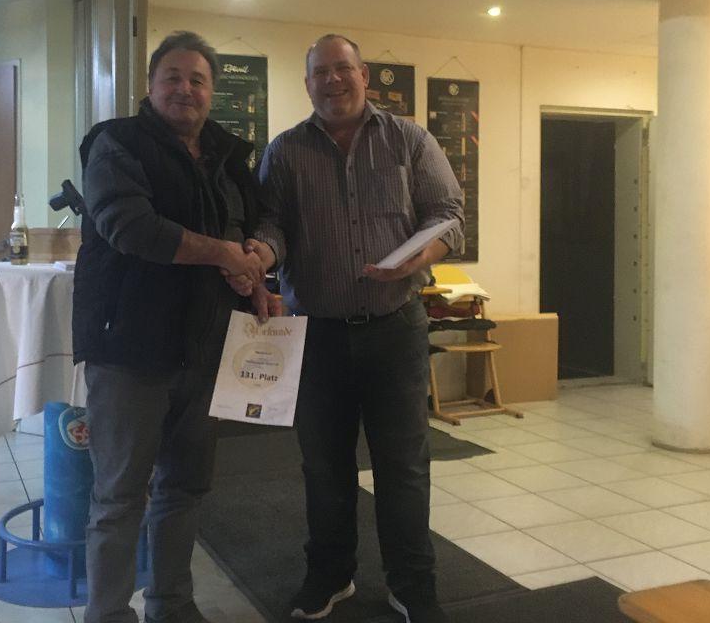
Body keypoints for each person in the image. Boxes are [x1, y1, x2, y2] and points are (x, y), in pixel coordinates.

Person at [246, 34, 464, 623]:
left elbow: (448, 215)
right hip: (316, 334)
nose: (333, 80)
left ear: (365, 75)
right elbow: (272, 223)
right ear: (307, 83)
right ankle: (330, 575)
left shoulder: (409, 140)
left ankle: (412, 584)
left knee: (404, 466)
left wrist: (419, 257)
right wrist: (261, 252)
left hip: (395, 328)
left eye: (343, 68)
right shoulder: (285, 151)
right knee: (323, 466)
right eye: (321, 72)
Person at [72, 30, 275, 623]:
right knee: (119, 497)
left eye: (198, 80)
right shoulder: (116, 143)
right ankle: (108, 614)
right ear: (151, 84)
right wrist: (223, 253)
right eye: (173, 77)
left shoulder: (229, 158)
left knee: (184, 488)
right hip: (130, 351)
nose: (185, 89)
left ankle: (172, 605)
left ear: (212, 92)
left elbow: (261, 226)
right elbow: (129, 226)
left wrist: (258, 265)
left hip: (208, 351)